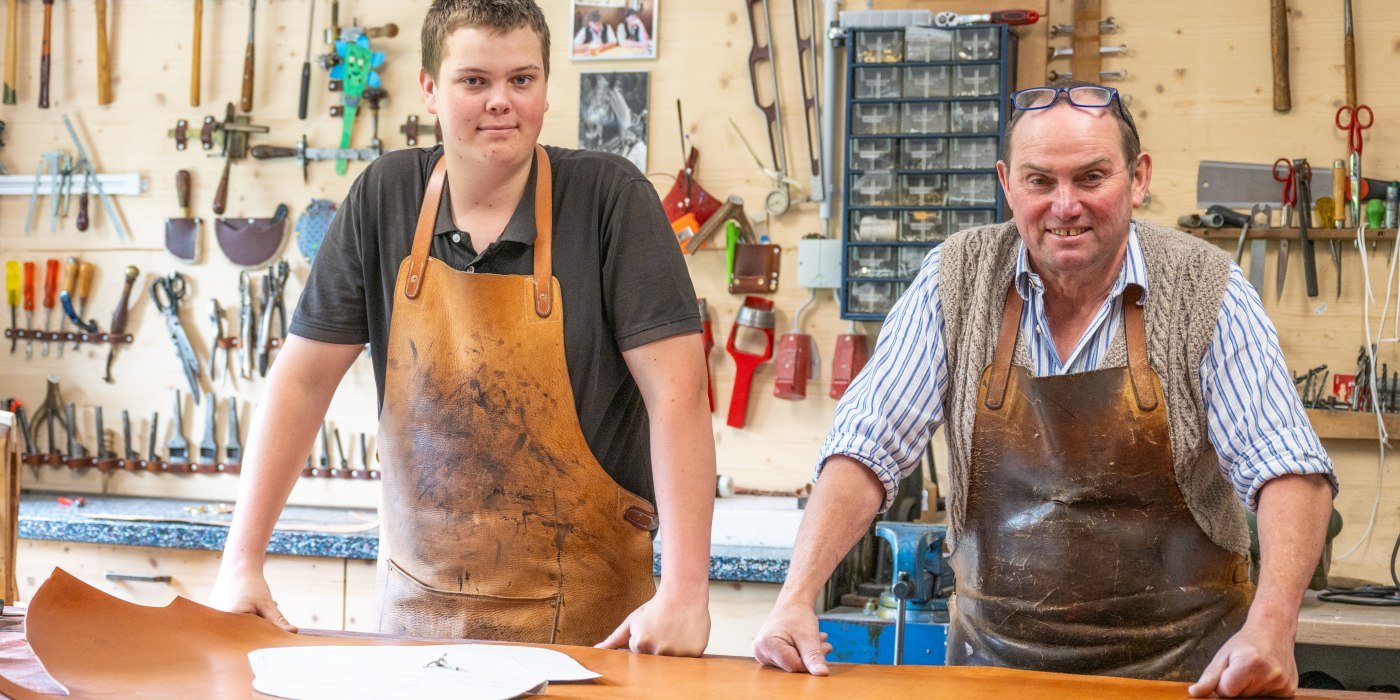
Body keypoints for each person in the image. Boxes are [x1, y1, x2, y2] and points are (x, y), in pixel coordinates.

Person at [753, 79, 1338, 698]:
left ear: (1137, 178)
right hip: (995, 676)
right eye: (1040, 181)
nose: (1065, 206)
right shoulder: (957, 277)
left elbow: (1288, 470)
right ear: (1008, 184)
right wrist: (796, 596)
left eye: (1091, 178)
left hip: (1186, 677)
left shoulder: (1205, 288)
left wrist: (1272, 626)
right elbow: (868, 444)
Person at [209, 0, 714, 658]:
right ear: (429, 89)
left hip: (593, 637)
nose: (501, 101)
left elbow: (678, 395)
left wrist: (683, 593)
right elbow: (302, 381)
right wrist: (241, 560)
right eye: (474, 80)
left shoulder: (609, 199)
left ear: (544, 87)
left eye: (521, 80)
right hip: (416, 632)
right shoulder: (382, 196)